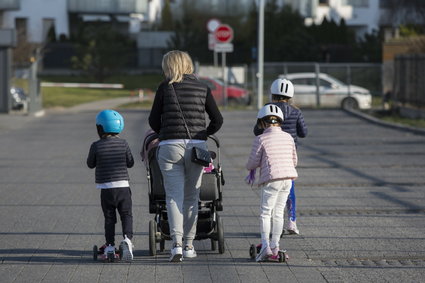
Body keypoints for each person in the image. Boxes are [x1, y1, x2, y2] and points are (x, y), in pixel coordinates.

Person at [148, 50, 223, 262]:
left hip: (170, 146)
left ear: (168, 67)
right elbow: (217, 120)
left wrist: (166, 131)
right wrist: (203, 134)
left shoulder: (164, 88)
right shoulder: (203, 87)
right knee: (192, 198)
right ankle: (190, 245)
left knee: (173, 197)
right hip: (196, 148)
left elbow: (153, 121)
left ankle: (177, 245)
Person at [253, 78, 307, 235]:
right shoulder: (296, 111)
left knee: (270, 190)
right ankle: (291, 221)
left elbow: (257, 131)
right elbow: (304, 133)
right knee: (289, 188)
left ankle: (270, 224)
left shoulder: (266, 109)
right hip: (289, 156)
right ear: (290, 95)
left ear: (272, 93)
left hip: (270, 156)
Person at [246, 104, 298, 262]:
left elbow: (252, 163)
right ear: (280, 122)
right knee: (278, 213)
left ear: (261, 123)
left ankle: (265, 246)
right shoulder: (288, 137)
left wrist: (252, 168)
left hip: (271, 180)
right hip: (288, 179)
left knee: (265, 213)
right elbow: (295, 160)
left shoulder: (261, 138)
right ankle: (275, 246)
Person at [87, 109, 135, 261]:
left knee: (109, 218)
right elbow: (131, 163)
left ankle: (109, 246)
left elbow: (90, 164)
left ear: (99, 128)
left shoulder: (96, 145)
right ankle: (127, 239)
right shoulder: (124, 144)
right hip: (123, 188)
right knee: (126, 214)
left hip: (106, 190)